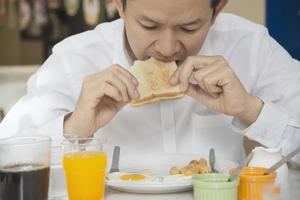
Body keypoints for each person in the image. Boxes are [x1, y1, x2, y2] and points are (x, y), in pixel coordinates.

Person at [0, 0, 299, 164]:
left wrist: (250, 110)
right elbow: (6, 154)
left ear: (218, 9)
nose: (167, 47)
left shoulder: (251, 45)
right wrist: (74, 128)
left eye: (189, 27)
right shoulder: (75, 58)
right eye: (149, 25)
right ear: (118, 4)